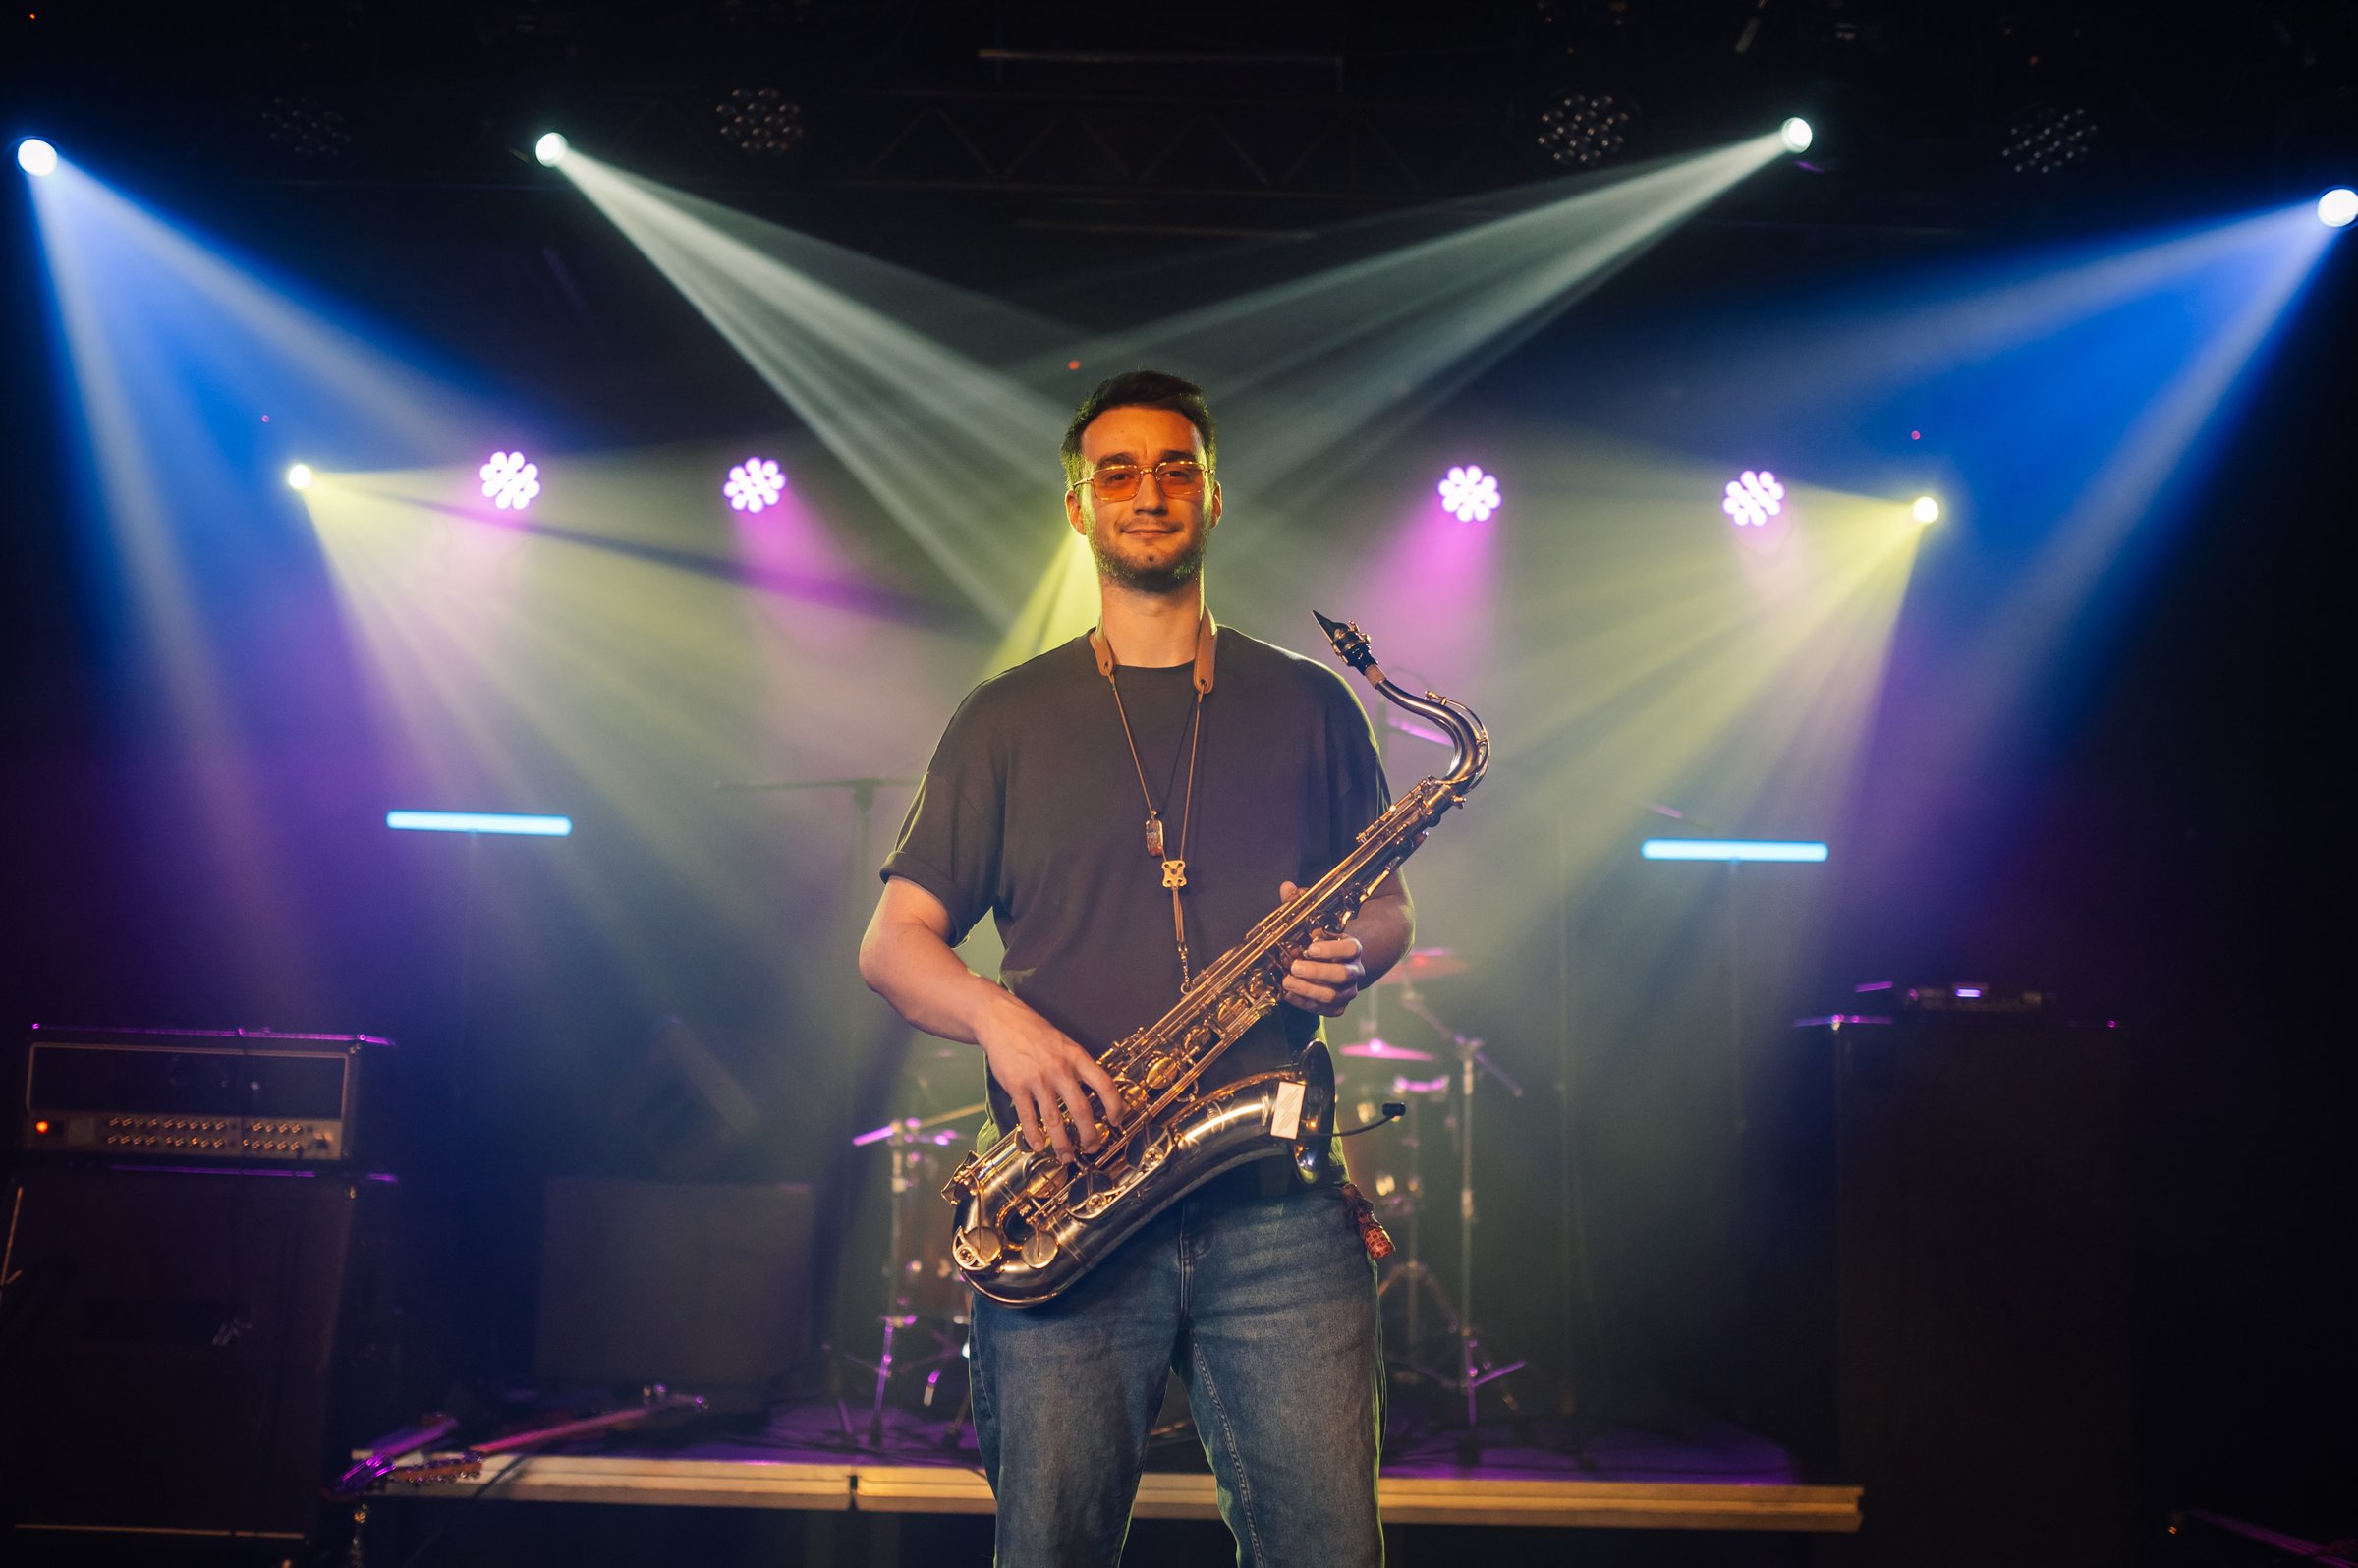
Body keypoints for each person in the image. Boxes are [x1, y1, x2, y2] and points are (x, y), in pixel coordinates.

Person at [859, 369, 1413, 1566]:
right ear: (1078, 508)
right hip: (1070, 1193)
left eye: (1174, 470)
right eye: (1117, 472)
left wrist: (1347, 952)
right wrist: (998, 1020)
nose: (1147, 493)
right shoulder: (1004, 717)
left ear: (1215, 499)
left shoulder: (1314, 703)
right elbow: (893, 944)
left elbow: (1390, 915)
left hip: (1277, 1212)